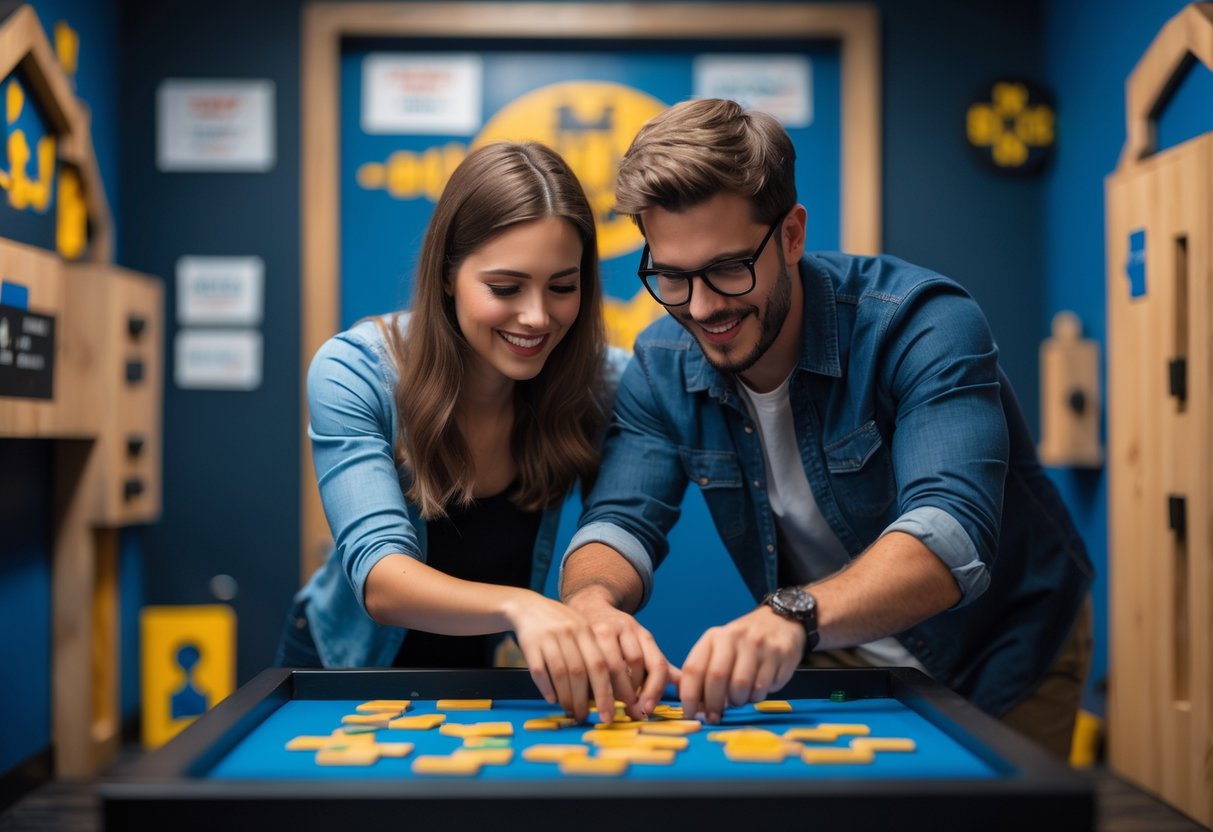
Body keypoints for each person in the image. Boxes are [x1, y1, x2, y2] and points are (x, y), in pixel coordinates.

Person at [558, 98, 1094, 757]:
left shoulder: (921, 323)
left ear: (789, 235)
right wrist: (589, 605)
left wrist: (791, 615)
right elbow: (619, 520)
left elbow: (949, 529)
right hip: (833, 651)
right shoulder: (660, 362)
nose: (699, 308)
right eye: (669, 276)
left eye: (728, 269)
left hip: (1002, 648)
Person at [277, 141, 630, 721]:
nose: (538, 317)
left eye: (562, 287)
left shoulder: (599, 383)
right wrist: (524, 607)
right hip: (341, 668)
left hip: (476, 671)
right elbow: (382, 580)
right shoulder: (354, 371)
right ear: (447, 276)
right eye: (505, 287)